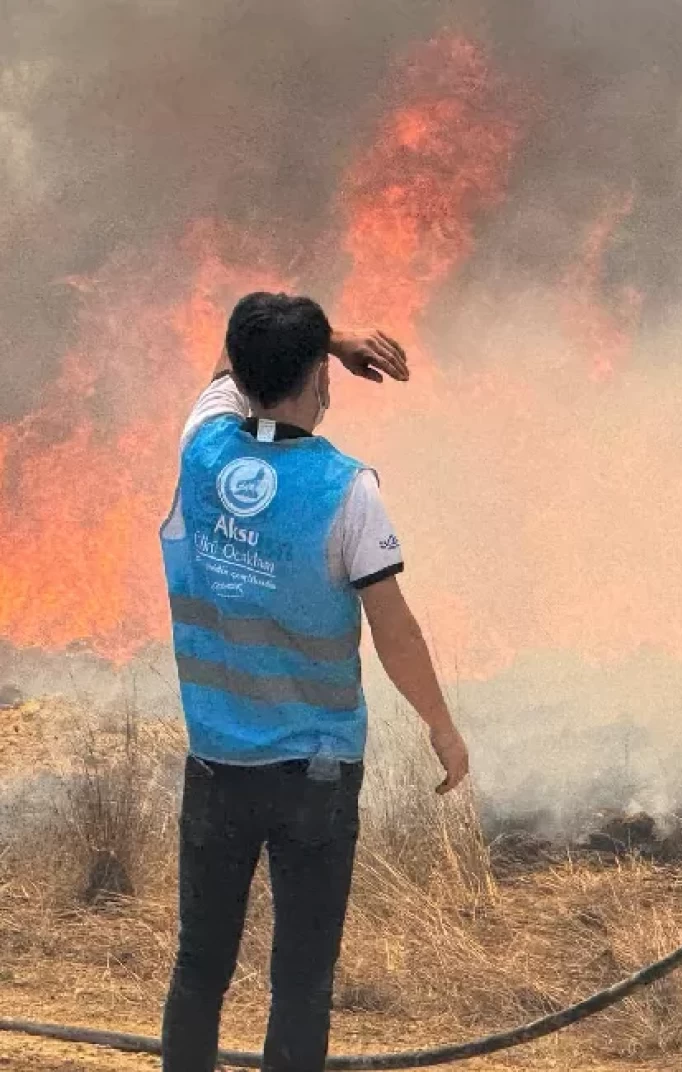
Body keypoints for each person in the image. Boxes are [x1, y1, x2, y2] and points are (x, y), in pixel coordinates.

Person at [158, 292, 470, 1072]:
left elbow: (231, 358)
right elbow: (393, 628)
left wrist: (321, 339)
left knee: (199, 969)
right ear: (316, 382)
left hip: (217, 765)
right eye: (323, 370)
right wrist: (441, 724)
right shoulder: (346, 491)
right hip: (315, 776)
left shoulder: (201, 449)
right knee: (299, 981)